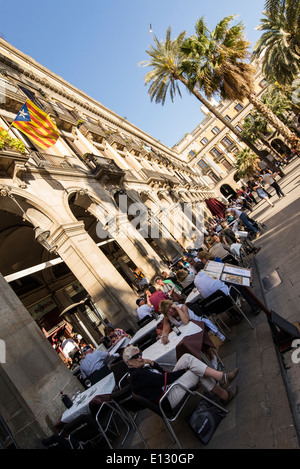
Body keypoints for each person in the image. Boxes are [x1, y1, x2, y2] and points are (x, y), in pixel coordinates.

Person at [122, 345, 238, 407]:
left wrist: (152, 363)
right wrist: (184, 371)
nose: (140, 357)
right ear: (130, 362)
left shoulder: (139, 369)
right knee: (195, 370)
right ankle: (223, 390)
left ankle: (221, 381)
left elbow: (162, 374)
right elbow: (164, 379)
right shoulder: (138, 375)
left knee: (186, 357)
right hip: (167, 398)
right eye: (136, 357)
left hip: (167, 387)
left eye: (140, 354)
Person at [159, 299, 226, 344]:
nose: (169, 312)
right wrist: (164, 336)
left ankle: (210, 356)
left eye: (169, 309)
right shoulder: (168, 316)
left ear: (172, 306)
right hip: (188, 331)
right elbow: (165, 329)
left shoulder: (182, 307)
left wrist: (177, 308)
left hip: (198, 325)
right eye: (166, 312)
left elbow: (185, 322)